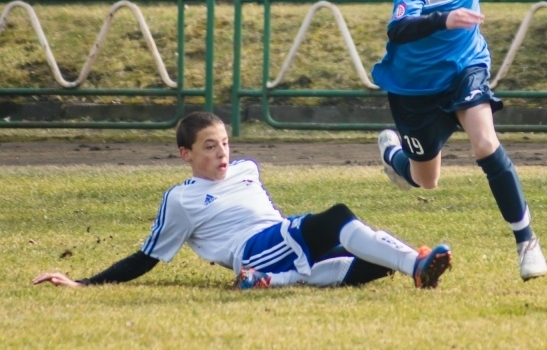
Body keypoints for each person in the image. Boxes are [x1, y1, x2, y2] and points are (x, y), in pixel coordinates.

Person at [371, 0, 547, 281]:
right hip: (415, 87)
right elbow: (399, 29)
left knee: (485, 143)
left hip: (466, 66)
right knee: (426, 180)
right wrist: (445, 18)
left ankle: (526, 242)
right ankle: (394, 157)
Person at [33, 111, 452, 290]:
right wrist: (84, 282)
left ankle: (269, 282)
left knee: (376, 268)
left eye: (225, 144)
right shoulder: (181, 199)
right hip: (254, 247)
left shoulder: (246, 168)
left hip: (280, 243)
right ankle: (415, 266)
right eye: (210, 147)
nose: (222, 154)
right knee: (337, 215)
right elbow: (146, 257)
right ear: (186, 154)